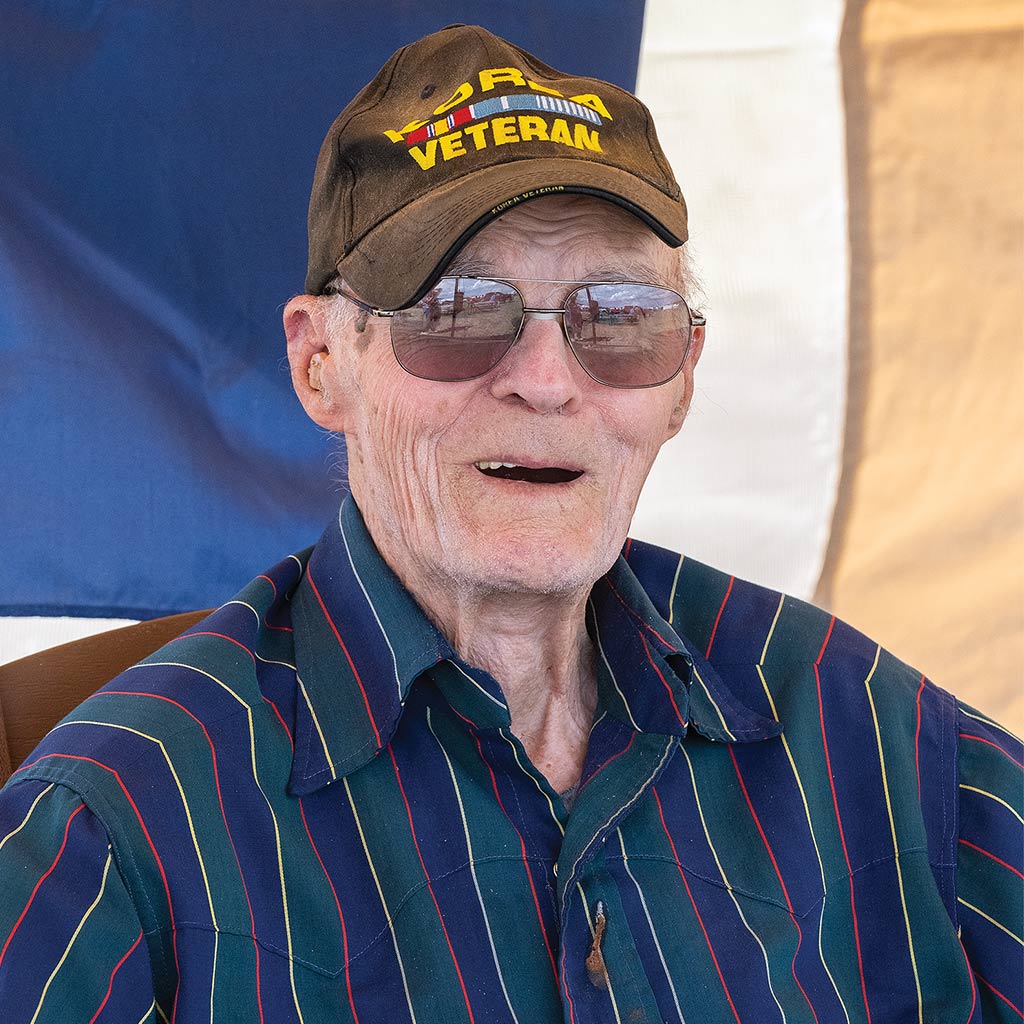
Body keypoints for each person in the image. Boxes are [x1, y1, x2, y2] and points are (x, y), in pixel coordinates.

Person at [0, 24, 1020, 1024]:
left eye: (617, 318)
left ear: (682, 382)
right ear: (322, 365)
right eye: (454, 310)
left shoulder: (874, 736)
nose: (543, 381)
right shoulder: (116, 822)